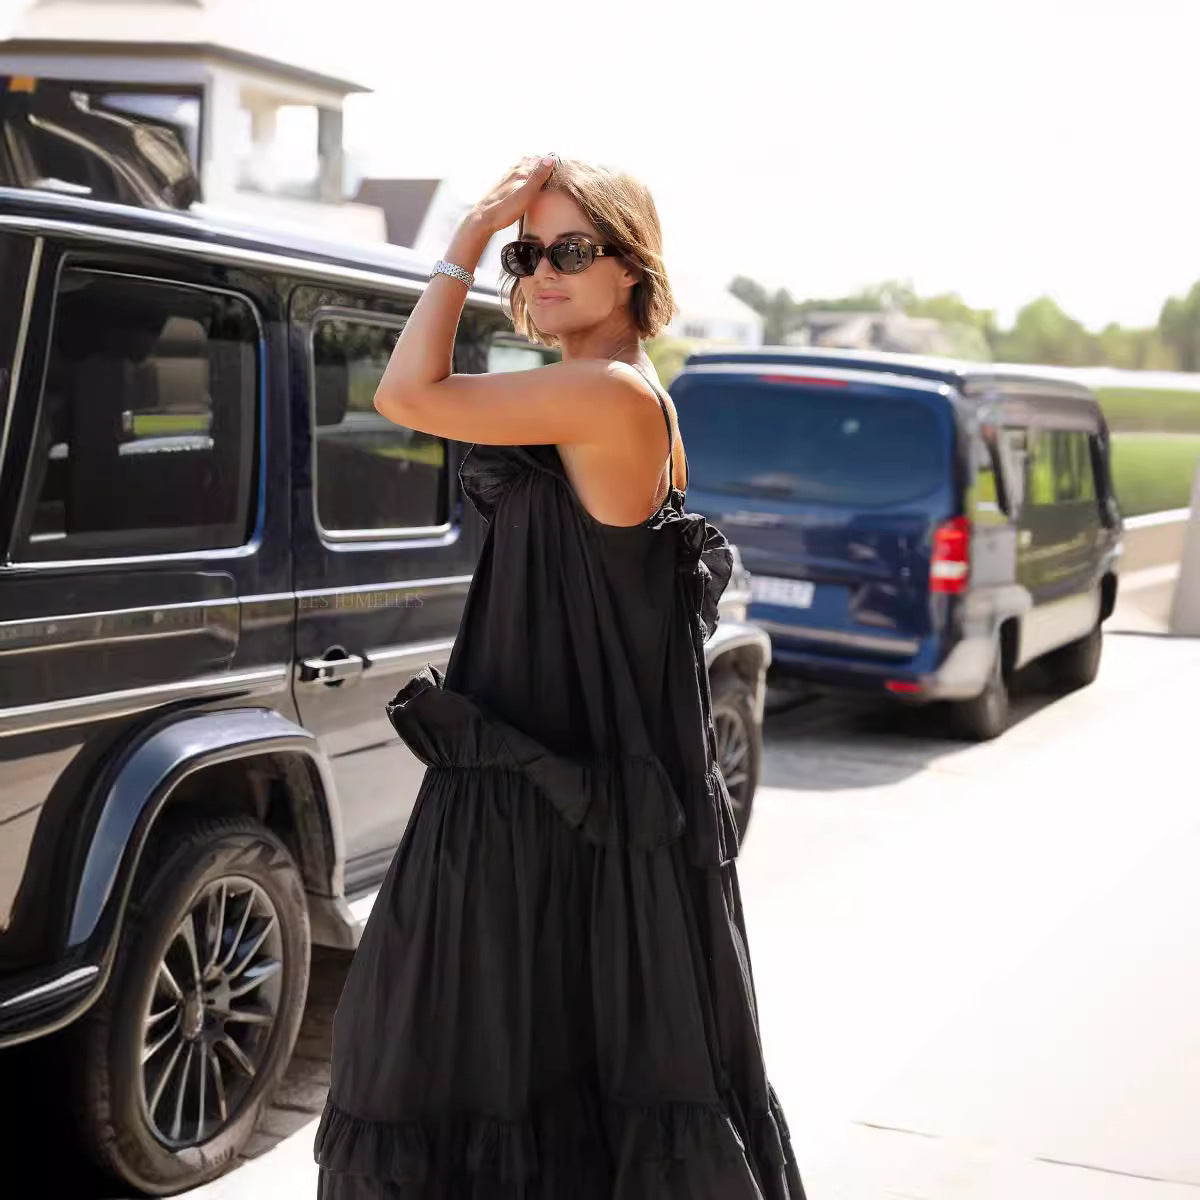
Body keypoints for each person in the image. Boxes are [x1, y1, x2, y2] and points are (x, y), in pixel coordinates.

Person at [314, 154, 805, 1199]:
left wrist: (457, 240)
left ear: (632, 266)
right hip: (553, 789)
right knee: (542, 1080)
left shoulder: (605, 393)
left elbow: (407, 392)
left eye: (570, 250)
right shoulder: (617, 391)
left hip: (540, 799)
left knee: (451, 1066)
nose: (539, 272)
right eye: (522, 252)